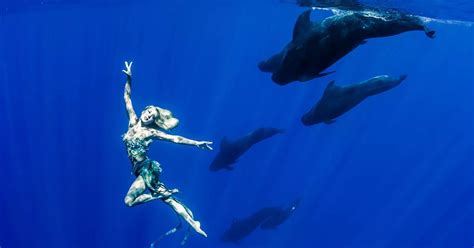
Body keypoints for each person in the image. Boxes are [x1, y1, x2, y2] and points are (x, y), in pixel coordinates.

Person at [121, 61, 211, 237]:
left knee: (130, 201)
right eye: (148, 112)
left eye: (152, 116)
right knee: (165, 199)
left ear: (154, 120)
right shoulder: (132, 122)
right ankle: (193, 223)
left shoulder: (151, 132)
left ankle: (190, 221)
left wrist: (196, 143)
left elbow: (175, 138)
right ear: (144, 110)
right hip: (140, 170)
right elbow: (127, 98)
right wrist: (129, 78)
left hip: (146, 170)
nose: (148, 115)